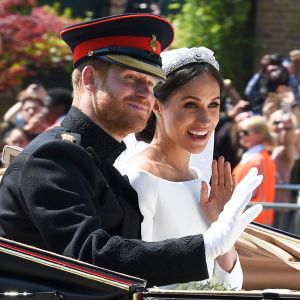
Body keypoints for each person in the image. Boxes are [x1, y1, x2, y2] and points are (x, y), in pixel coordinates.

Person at [0, 13, 263, 288]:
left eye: (151, 83)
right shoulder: (52, 158)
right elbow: (88, 258)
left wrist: (220, 244)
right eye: (131, 77)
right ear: (90, 79)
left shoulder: (101, 165)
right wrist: (208, 246)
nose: (144, 93)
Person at [118, 47, 243, 289]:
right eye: (191, 105)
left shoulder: (200, 181)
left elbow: (232, 286)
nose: (206, 120)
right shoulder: (139, 179)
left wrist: (220, 221)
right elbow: (135, 279)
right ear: (157, 106)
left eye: (213, 105)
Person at [233, 115, 276, 226]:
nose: (241, 134)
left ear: (259, 136)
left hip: (252, 222)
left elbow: (251, 192)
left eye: (245, 132)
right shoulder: (258, 157)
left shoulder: (258, 159)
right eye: (240, 131)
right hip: (251, 220)